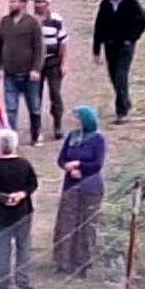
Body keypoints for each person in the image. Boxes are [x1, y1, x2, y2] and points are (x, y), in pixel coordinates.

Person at [53, 106, 107, 276]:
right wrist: (68, 168)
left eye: (77, 118)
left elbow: (97, 163)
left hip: (90, 185)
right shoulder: (71, 137)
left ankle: (83, 261)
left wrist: (79, 165)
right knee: (67, 222)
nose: (74, 121)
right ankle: (63, 260)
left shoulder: (98, 139)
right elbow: (62, 158)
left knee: (86, 223)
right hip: (71, 184)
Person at [0, 129, 39, 289]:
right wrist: (21, 194)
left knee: (1, 247)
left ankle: (2, 281)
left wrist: (2, 197)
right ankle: (23, 279)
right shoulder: (24, 164)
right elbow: (33, 184)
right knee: (23, 246)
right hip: (22, 211)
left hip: (0, 213)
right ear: (15, 145)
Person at [92, 0, 145, 124]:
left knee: (121, 75)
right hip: (110, 45)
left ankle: (121, 111)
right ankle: (126, 100)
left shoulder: (131, 3)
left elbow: (142, 21)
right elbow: (99, 26)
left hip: (125, 46)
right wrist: (96, 50)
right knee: (113, 76)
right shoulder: (105, 4)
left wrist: (132, 38)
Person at [0, 0, 45, 145]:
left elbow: (39, 47)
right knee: (11, 109)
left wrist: (36, 68)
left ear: (23, 3)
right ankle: (12, 140)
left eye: (14, 2)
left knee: (34, 107)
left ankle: (36, 134)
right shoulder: (5, 22)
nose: (11, 5)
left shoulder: (32, 23)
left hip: (29, 74)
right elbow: (0, 45)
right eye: (10, 2)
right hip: (10, 73)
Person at [32, 0, 69, 139]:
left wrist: (64, 63)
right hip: (35, 63)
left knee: (55, 93)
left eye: (41, 2)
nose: (38, 5)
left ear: (47, 4)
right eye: (36, 2)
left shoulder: (56, 20)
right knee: (35, 96)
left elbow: (63, 42)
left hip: (53, 61)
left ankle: (58, 124)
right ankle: (36, 128)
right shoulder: (30, 20)